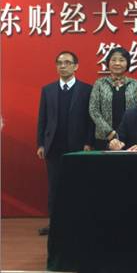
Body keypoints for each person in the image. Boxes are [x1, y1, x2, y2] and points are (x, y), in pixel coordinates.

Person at [36, 51, 94, 236]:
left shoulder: (87, 89)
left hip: (77, 146)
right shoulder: (48, 90)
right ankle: (55, 224)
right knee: (54, 187)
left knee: (77, 186)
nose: (63, 66)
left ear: (76, 66)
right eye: (59, 63)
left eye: (67, 62)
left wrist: (89, 142)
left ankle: (77, 223)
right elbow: (42, 118)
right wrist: (41, 144)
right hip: (53, 146)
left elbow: (90, 119)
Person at [89, 47, 137, 150]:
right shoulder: (100, 83)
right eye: (113, 60)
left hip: (130, 137)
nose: (117, 63)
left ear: (127, 63)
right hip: (104, 137)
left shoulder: (135, 84)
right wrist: (109, 132)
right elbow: (93, 110)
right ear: (108, 63)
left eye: (121, 60)